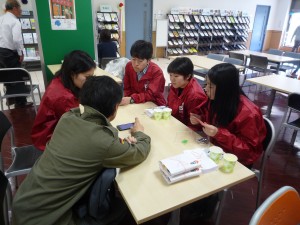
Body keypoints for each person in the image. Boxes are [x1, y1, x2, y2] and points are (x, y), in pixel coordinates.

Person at [12, 76, 151, 225]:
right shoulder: (103, 142)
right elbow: (139, 152)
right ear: (116, 107)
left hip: (23, 204)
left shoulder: (67, 118)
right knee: (124, 208)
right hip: (47, 219)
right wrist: (139, 133)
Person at [190, 63, 267, 167]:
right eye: (206, 84)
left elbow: (249, 152)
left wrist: (219, 134)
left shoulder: (249, 113)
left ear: (224, 88)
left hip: (236, 161)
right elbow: (215, 122)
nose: (206, 89)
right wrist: (200, 120)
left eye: (211, 86)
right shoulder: (217, 99)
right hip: (217, 151)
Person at [31, 50, 96, 151]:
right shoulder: (64, 98)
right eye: (87, 77)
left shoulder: (60, 80)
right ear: (72, 74)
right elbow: (77, 127)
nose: (90, 81)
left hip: (46, 134)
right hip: (49, 142)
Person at [0, 0, 31, 107]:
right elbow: (17, 40)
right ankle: (21, 102)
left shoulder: (1, 18)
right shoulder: (14, 21)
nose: (21, 10)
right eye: (20, 8)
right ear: (14, 8)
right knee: (18, 75)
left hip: (0, 52)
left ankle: (10, 98)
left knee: (6, 75)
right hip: (9, 52)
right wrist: (20, 53)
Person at [122, 40, 166, 106]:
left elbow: (151, 95)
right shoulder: (129, 66)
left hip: (153, 106)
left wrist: (132, 99)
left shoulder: (157, 72)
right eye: (133, 59)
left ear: (148, 60)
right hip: (135, 103)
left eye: (140, 61)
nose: (136, 64)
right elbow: (127, 88)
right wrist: (129, 100)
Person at [167, 57, 207, 129]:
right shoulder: (176, 85)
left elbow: (194, 126)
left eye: (176, 76)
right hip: (173, 123)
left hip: (184, 130)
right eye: (170, 75)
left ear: (188, 76)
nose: (172, 79)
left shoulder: (195, 96)